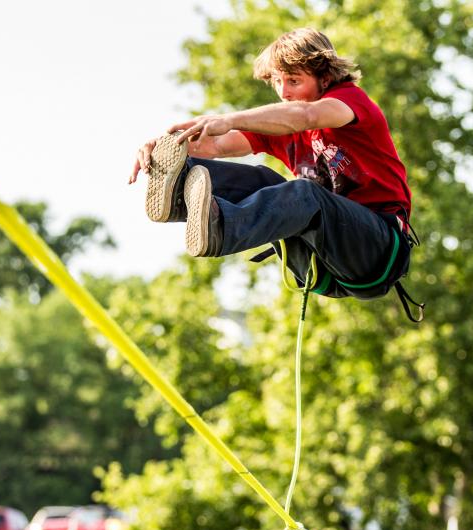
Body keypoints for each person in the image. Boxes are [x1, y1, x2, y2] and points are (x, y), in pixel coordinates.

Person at [129, 28, 421, 319]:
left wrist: (228, 119)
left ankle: (221, 229)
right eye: (278, 82)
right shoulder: (282, 129)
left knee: (305, 193)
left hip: (377, 251)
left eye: (294, 80)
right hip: (317, 264)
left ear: (325, 78)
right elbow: (215, 144)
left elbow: (306, 117)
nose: (284, 92)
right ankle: (177, 189)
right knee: (263, 180)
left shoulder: (349, 102)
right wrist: (164, 150)